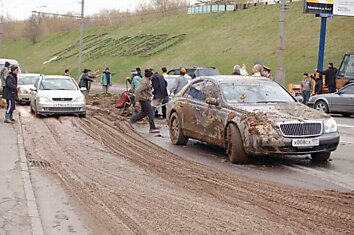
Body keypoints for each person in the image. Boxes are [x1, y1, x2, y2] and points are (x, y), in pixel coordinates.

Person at [130, 69, 160, 133]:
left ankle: (131, 120)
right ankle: (152, 128)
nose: (152, 77)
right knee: (151, 112)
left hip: (145, 99)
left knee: (143, 113)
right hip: (144, 99)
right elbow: (137, 90)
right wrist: (137, 101)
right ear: (149, 76)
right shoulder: (145, 82)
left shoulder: (146, 80)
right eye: (152, 76)